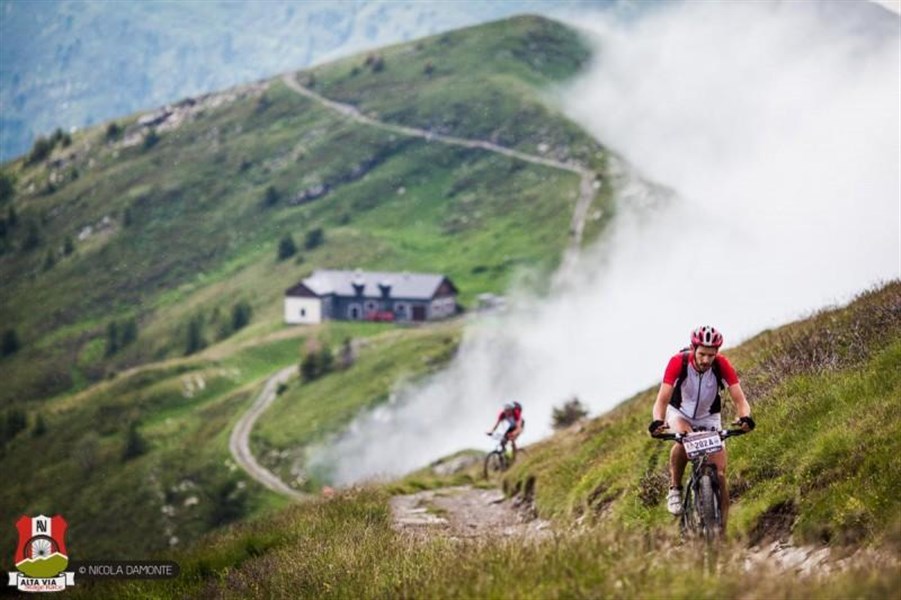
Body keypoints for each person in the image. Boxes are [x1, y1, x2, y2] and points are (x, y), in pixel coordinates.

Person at [648, 326, 755, 530]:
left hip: (709, 417)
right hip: (680, 413)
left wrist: (745, 417)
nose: (706, 360)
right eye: (702, 354)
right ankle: (675, 489)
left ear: (717, 353)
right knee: (685, 441)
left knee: (721, 476)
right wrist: (657, 421)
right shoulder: (678, 362)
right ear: (693, 348)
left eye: (711, 355)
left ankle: (721, 530)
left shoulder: (721, 364)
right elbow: (661, 400)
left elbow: (740, 400)